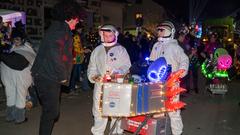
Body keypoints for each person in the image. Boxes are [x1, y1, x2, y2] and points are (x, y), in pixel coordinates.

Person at [31, 0, 80, 134]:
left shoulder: (59, 28)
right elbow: (54, 53)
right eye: (77, 19)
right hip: (47, 76)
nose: (78, 22)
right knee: (51, 112)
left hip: (48, 75)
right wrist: (63, 75)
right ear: (70, 17)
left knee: (51, 111)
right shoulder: (60, 30)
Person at [87, 24, 131, 135]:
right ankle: (98, 132)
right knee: (98, 111)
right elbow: (92, 67)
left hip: (116, 85)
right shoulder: (97, 50)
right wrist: (94, 76)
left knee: (116, 111)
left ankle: (116, 132)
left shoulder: (121, 50)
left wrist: (117, 72)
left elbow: (126, 66)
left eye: (110, 35)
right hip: (100, 85)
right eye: (105, 35)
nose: (107, 38)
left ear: (115, 35)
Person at [150, 21, 189, 135]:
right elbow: (152, 61)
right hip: (156, 82)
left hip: (171, 82)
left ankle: (177, 132)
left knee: (173, 110)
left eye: (162, 30)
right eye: (159, 30)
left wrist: (180, 72)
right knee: (157, 109)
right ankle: (158, 131)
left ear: (170, 32)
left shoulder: (174, 47)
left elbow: (184, 60)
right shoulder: (156, 46)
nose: (159, 32)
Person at [0, 29, 36, 124]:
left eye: (17, 39)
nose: (16, 41)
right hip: (18, 77)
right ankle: (17, 118)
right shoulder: (22, 49)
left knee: (14, 95)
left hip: (13, 76)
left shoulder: (18, 50)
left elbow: (15, 63)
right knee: (17, 95)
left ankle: (13, 116)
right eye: (15, 39)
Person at [68, 22, 91, 94]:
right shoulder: (76, 36)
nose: (82, 30)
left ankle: (73, 87)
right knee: (75, 73)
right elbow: (76, 48)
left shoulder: (75, 35)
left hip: (77, 57)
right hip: (76, 57)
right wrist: (84, 50)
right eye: (81, 29)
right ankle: (72, 88)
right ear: (78, 28)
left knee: (75, 72)